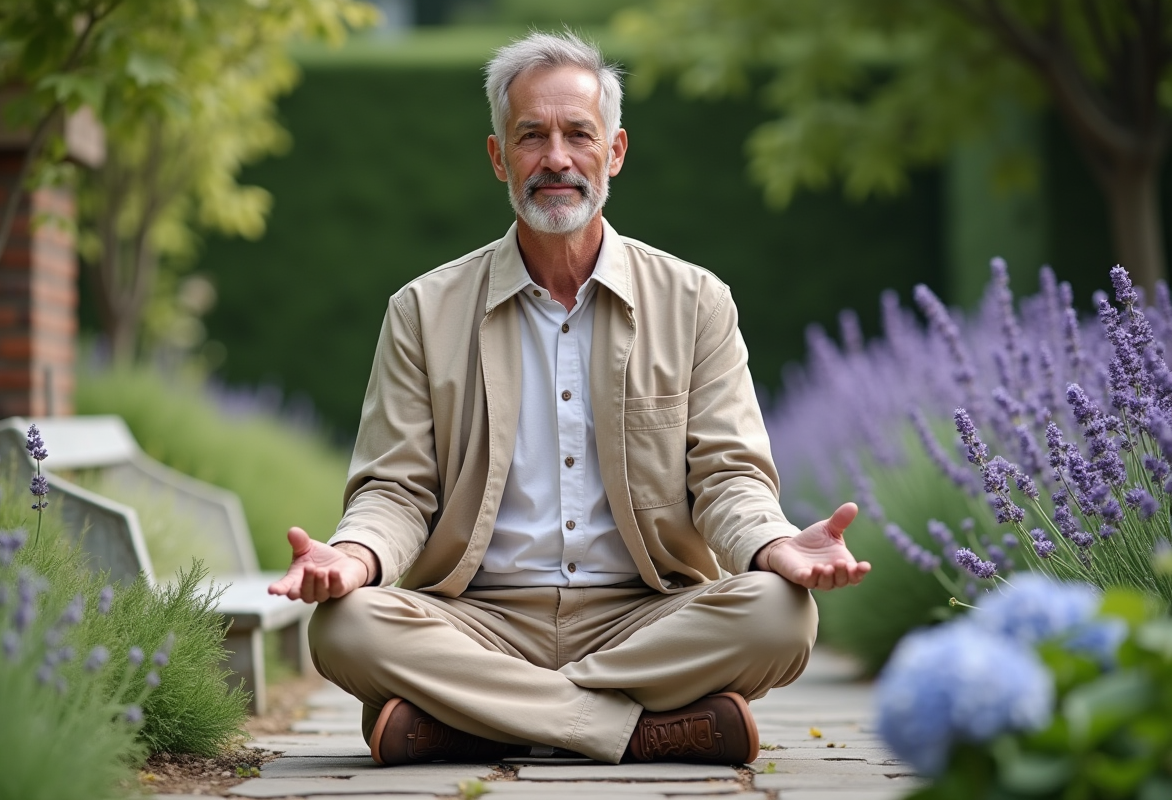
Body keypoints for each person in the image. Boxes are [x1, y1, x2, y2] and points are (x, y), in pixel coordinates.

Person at [269, 30, 870, 768]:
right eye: (531, 136)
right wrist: (353, 558)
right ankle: (641, 731)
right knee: (344, 626)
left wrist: (775, 545)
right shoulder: (422, 311)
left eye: (578, 134)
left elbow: (728, 476)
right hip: (476, 618)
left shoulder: (696, 301)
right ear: (499, 158)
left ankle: (480, 722)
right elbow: (396, 489)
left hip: (645, 615)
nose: (556, 158)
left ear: (614, 152)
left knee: (781, 614)